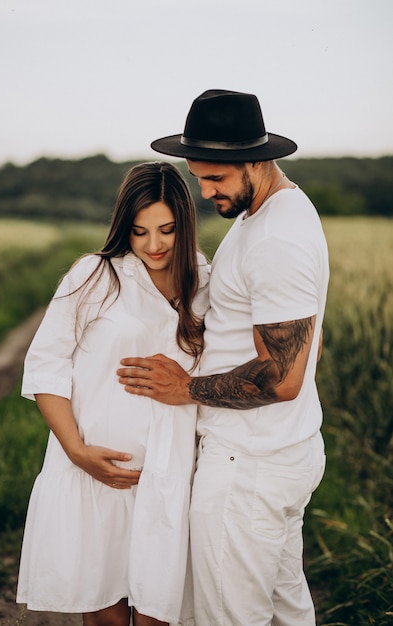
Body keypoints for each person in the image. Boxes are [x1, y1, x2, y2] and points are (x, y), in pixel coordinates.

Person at [117, 90, 330, 626]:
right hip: (278, 454)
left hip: (247, 467)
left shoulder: (276, 236)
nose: (204, 190)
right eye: (198, 176)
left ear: (255, 161)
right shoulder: (271, 215)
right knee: (284, 615)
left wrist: (185, 389)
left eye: (216, 178)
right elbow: (303, 345)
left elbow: (283, 378)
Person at [16, 161, 210, 626]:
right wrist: (76, 451)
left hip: (169, 476)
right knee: (105, 613)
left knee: (157, 613)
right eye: (140, 232)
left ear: (186, 223)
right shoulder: (96, 275)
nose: (155, 245)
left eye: (167, 229)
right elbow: (46, 364)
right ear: (125, 227)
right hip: (99, 474)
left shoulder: (206, 280)